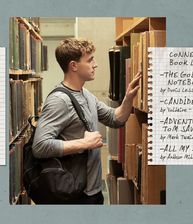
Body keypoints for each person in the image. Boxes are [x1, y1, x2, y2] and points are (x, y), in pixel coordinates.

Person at [32, 38, 141, 204]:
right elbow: (40, 146)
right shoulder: (59, 101)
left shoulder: (86, 94)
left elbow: (115, 119)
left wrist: (128, 98)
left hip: (92, 191)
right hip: (74, 194)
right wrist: (84, 143)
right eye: (90, 60)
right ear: (74, 66)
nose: (95, 64)